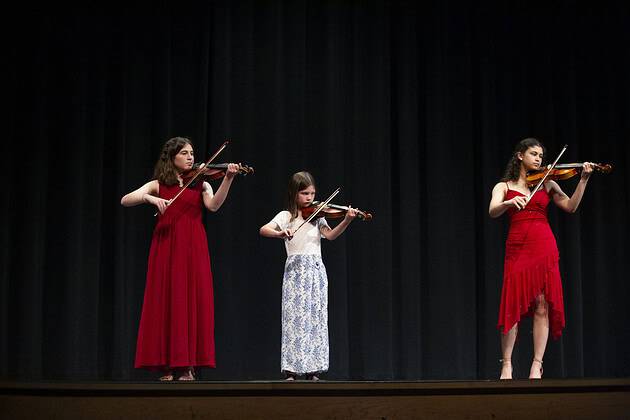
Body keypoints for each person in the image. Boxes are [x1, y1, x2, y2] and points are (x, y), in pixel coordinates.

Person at [121, 136, 239, 381]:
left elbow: (214, 206)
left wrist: (228, 178)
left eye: (192, 153)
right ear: (172, 157)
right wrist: (149, 198)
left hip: (193, 246)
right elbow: (126, 199)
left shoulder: (201, 183)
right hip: (166, 246)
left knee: (191, 300)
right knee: (166, 300)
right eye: (184, 153)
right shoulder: (158, 183)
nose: (190, 157)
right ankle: (166, 363)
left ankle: (187, 365)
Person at [489, 138, 594, 379]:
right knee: (512, 304)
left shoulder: (547, 183)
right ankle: (507, 364)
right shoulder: (503, 186)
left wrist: (584, 180)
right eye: (533, 154)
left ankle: (537, 364)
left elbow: (570, 206)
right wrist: (508, 202)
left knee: (542, 305)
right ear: (519, 156)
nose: (538, 159)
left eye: (540, 155)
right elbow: (492, 210)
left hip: (544, 245)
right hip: (518, 247)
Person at [259, 171, 357, 381]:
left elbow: (330, 236)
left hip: (315, 271)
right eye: (304, 193)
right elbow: (264, 229)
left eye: (312, 193)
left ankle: (314, 369)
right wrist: (279, 233)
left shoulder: (318, 217)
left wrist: (347, 220)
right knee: (294, 319)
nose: (310, 198)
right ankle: (292, 370)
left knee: (316, 319)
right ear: (295, 194)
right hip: (296, 271)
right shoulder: (286, 216)